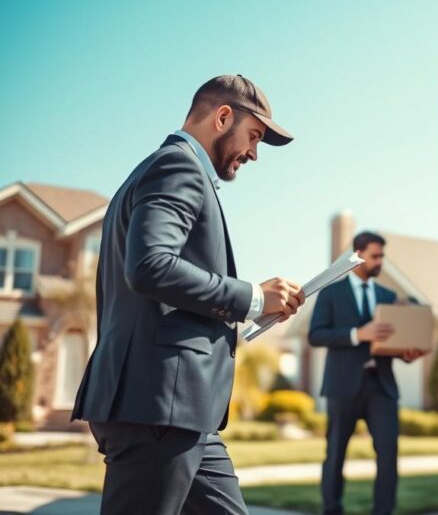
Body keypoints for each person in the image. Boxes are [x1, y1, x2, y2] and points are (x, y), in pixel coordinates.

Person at [72, 74, 305, 515]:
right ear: (222, 117)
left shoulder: (166, 169)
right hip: (157, 409)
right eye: (253, 136)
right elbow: (149, 265)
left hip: (183, 413)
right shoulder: (177, 167)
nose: (254, 153)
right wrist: (253, 298)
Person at [309, 231, 425, 515]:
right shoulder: (331, 293)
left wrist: (407, 353)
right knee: (335, 455)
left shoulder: (389, 297)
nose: (379, 262)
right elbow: (316, 335)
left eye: (382, 256)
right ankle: (331, 510)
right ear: (358, 254)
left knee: (388, 455)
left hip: (381, 387)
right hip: (342, 386)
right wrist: (357, 333)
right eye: (375, 256)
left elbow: (393, 342)